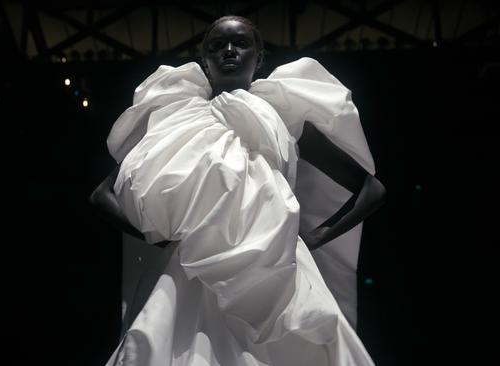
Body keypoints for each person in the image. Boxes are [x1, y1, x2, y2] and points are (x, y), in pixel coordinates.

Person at [90, 15, 385, 366]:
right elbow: (102, 194)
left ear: (259, 58)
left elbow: (372, 188)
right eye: (217, 45)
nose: (229, 50)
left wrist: (316, 236)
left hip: (278, 265)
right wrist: (155, 236)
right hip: (195, 265)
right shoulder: (177, 117)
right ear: (205, 60)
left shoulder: (283, 114)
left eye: (241, 43)